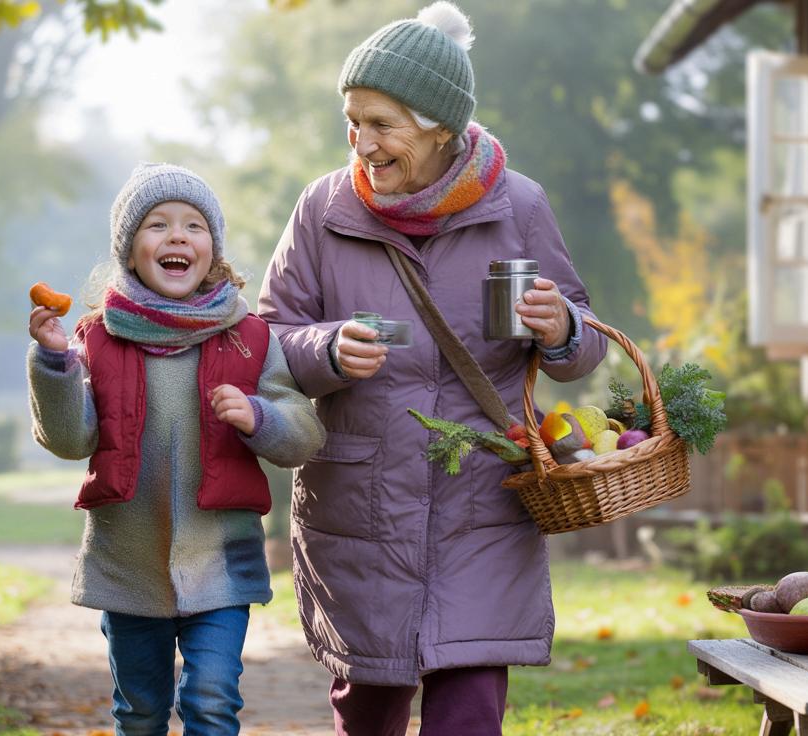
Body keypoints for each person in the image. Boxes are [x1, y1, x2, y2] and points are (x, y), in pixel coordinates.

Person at [257, 3, 608, 734]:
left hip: (483, 500)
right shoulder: (322, 209)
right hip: (364, 503)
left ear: (441, 125)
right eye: (352, 121)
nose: (362, 143)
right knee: (371, 705)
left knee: (471, 706)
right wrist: (325, 351)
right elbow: (267, 339)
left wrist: (563, 326)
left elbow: (586, 344)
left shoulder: (520, 206)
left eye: (383, 124)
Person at [26, 163, 325, 736]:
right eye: (157, 225)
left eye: (194, 225)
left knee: (212, 702)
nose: (177, 236)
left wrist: (259, 415)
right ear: (129, 251)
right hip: (130, 565)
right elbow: (69, 440)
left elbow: (303, 434)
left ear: (212, 250)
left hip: (222, 564)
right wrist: (56, 363)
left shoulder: (250, 337)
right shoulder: (97, 338)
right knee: (139, 712)